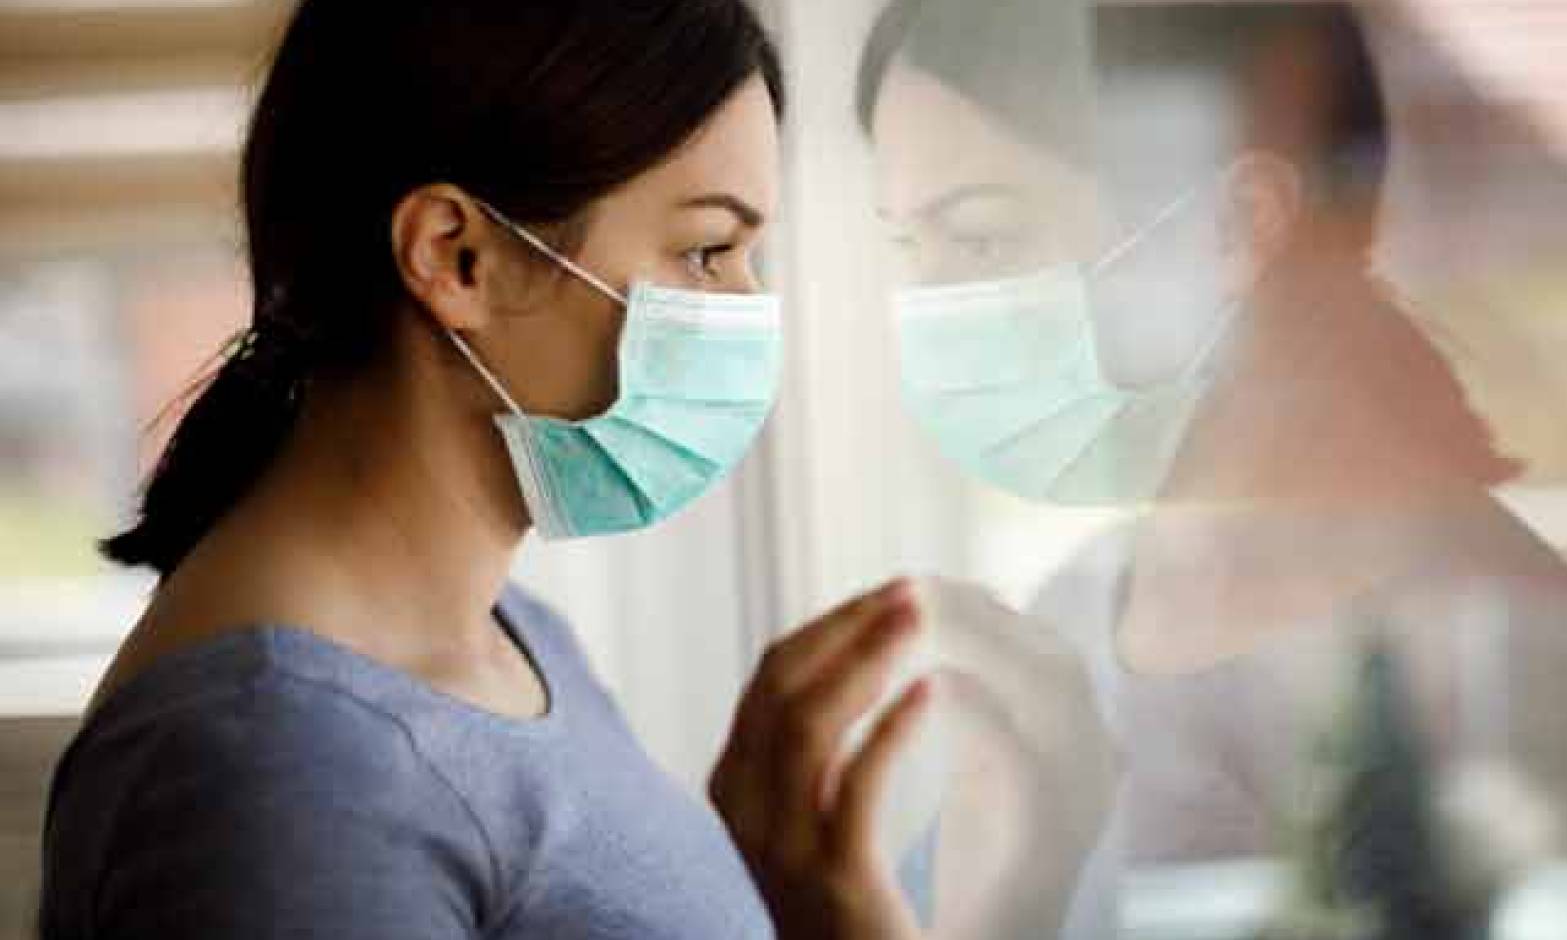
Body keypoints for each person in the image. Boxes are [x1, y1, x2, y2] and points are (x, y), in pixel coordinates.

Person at [39, 2, 933, 938]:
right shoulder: (278, 764)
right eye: (706, 250)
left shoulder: (511, 635)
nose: (750, 308)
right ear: (456, 257)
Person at [859, 0, 1567, 935]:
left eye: (982, 237)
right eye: (907, 245)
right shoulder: (1071, 614)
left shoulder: (1510, 656)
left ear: (1239, 222)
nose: (931, 309)